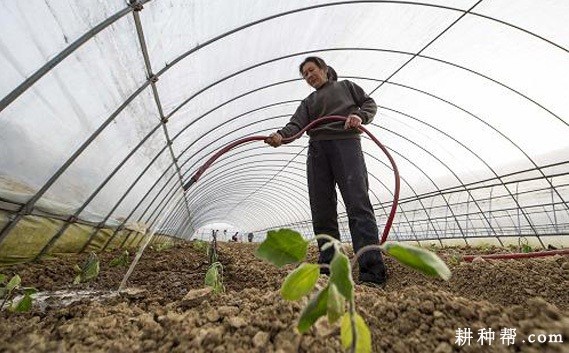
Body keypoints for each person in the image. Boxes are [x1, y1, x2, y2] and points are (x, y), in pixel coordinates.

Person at [264, 56, 387, 286]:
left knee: (357, 205)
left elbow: (369, 103)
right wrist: (280, 136)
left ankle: (372, 273)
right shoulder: (308, 102)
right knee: (322, 210)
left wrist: (359, 116)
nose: (309, 76)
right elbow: (295, 126)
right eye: (305, 75)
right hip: (318, 151)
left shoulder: (346, 87)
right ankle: (329, 269)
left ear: (324, 69)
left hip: (346, 144)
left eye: (312, 70)